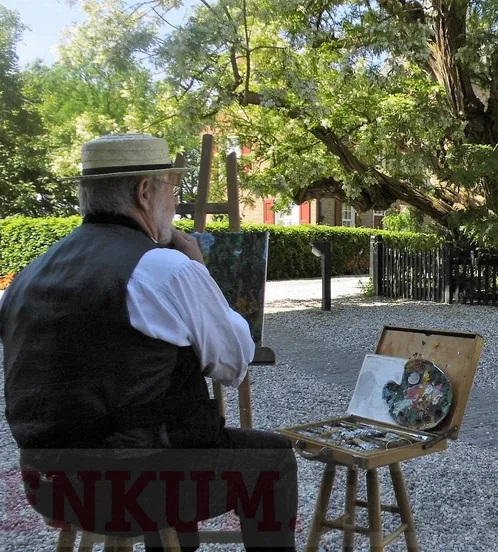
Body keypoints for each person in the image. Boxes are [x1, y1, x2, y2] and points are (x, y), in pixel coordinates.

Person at [0, 134, 297, 551]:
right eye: (172, 191)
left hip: (47, 486)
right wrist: (199, 269)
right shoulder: (164, 268)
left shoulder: (30, 274)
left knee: (171, 428)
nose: (174, 206)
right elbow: (233, 364)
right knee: (272, 458)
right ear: (145, 191)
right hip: (133, 491)